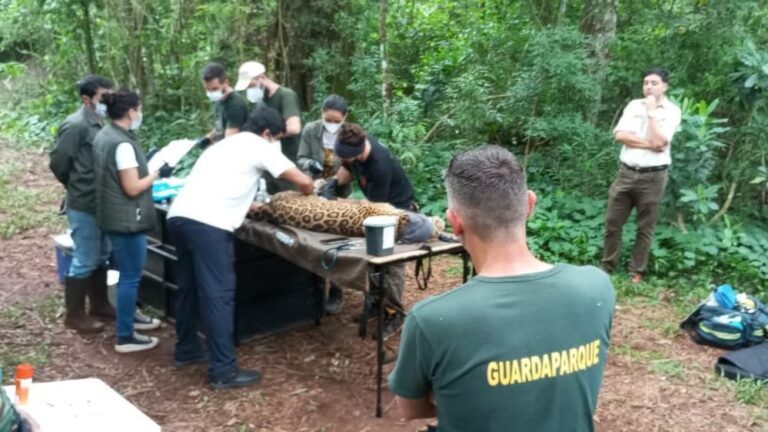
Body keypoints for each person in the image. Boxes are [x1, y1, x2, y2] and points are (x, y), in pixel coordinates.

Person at [389, 145, 616, 431]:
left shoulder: (432, 320)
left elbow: (410, 407)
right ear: (530, 205)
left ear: (455, 222)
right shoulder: (596, 287)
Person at [166, 107, 314, 390]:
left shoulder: (224, 145)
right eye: (277, 138)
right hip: (208, 225)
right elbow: (303, 181)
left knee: (188, 288)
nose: (276, 144)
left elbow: (225, 185)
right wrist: (311, 189)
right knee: (218, 295)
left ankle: (187, 349)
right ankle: (223, 370)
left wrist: (250, 205)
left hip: (180, 216)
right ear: (268, 133)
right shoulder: (259, 144)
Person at [322, 123, 416, 339]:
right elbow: (346, 168)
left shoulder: (379, 165)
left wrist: (339, 203)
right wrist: (333, 183)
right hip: (376, 209)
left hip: (395, 212)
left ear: (358, 152)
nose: (348, 161)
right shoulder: (354, 145)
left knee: (390, 264)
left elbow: (372, 207)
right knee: (373, 260)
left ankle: (395, 313)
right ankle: (377, 304)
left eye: (350, 157)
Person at [93, 90, 168, 353]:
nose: (140, 113)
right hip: (126, 219)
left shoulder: (106, 134)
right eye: (139, 108)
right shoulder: (122, 144)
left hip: (113, 214)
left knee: (129, 274)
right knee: (130, 276)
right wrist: (157, 173)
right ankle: (126, 335)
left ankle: (132, 318)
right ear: (130, 112)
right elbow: (133, 187)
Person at [602, 67, 681, 283]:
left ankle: (636, 271)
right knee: (612, 223)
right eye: (646, 82)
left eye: (654, 83)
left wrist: (652, 112)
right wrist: (651, 144)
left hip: (654, 178)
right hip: (626, 172)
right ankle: (607, 267)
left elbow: (661, 141)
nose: (648, 86)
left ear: (665, 86)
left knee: (645, 227)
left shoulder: (672, 111)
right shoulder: (633, 106)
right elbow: (620, 136)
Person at [49, 76, 115, 334]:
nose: (108, 102)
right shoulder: (76, 125)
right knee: (85, 258)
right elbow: (59, 163)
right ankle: (74, 315)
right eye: (103, 98)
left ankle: (99, 305)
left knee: (101, 254)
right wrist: (76, 185)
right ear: (87, 99)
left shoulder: (102, 124)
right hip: (84, 202)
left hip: (103, 202)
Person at [297, 94, 352, 314]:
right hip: (315, 189)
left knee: (337, 242)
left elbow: (353, 165)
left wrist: (334, 181)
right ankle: (315, 287)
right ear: (322, 113)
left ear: (344, 118)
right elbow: (300, 158)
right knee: (315, 239)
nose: (331, 124)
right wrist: (311, 166)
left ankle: (336, 289)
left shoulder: (350, 133)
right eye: (327, 119)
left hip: (340, 193)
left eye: (336, 121)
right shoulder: (311, 130)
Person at [234, 61, 302, 164]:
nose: (250, 90)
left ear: (262, 77)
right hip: (269, 160)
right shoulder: (260, 101)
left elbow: (294, 128)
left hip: (289, 158)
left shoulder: (286, 95)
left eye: (252, 86)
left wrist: (269, 137)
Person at [196, 63, 249, 149]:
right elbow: (220, 126)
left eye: (214, 89)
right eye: (207, 89)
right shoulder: (219, 99)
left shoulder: (235, 105)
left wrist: (211, 150)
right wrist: (208, 138)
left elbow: (230, 141)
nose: (211, 93)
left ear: (226, 83)